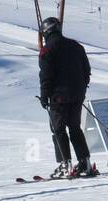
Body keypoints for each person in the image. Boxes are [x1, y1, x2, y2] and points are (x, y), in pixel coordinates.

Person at [38, 16, 96, 178]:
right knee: (74, 127)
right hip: (77, 94)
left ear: (46, 32)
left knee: (58, 129)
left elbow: (46, 75)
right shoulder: (76, 46)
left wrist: (44, 96)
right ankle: (85, 162)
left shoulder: (47, 49)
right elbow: (86, 71)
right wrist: (81, 88)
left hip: (59, 96)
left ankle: (65, 164)